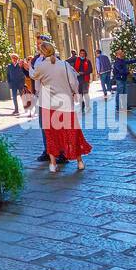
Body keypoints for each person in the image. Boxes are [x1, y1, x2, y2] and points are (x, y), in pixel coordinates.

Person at [31, 41, 92, 172]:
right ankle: (79, 162)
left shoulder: (41, 66)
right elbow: (73, 82)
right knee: (71, 131)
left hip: (47, 103)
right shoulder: (64, 64)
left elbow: (35, 81)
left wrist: (27, 67)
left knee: (50, 133)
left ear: (42, 53)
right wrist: (74, 92)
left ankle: (53, 164)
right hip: (65, 103)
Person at [70, 48, 94, 125]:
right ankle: (81, 107)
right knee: (80, 95)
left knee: (86, 94)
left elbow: (91, 70)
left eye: (83, 53)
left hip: (85, 79)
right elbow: (72, 68)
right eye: (81, 53)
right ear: (79, 54)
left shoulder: (88, 61)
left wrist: (83, 73)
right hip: (78, 80)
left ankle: (88, 107)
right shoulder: (76, 60)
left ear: (85, 54)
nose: (82, 55)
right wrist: (77, 73)